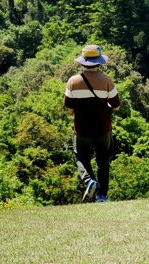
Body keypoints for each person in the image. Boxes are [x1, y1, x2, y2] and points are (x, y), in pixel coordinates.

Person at [64, 44, 121, 202]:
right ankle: (102, 195)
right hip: (103, 127)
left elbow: (70, 109)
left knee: (81, 156)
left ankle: (89, 180)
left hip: (82, 129)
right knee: (103, 161)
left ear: (83, 61)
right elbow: (116, 106)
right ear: (99, 62)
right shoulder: (107, 81)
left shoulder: (72, 82)